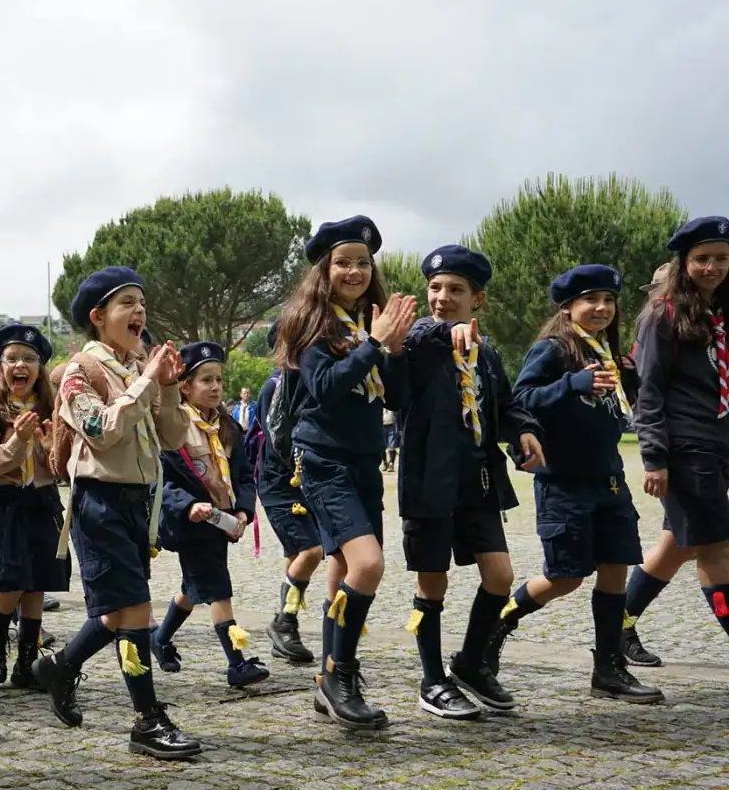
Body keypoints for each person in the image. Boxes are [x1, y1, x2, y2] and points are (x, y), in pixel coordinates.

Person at [32, 266, 202, 759]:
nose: (139, 312)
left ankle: (60, 666)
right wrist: (146, 382)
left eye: (142, 303)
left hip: (137, 504)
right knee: (136, 612)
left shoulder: (137, 368)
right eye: (127, 303)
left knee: (116, 614)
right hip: (99, 503)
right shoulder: (79, 372)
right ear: (98, 317)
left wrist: (168, 386)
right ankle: (146, 720)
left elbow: (172, 438)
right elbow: (102, 431)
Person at [271, 216, 415, 730]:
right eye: (343, 263)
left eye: (363, 262)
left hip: (364, 460)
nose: (355, 271)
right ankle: (341, 676)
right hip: (323, 459)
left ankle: (328, 680)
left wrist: (394, 349)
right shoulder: (310, 323)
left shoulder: (366, 322)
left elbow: (396, 398)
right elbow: (327, 387)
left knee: (342, 569)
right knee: (369, 565)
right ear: (324, 270)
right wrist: (374, 344)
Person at [495, 264, 662, 703]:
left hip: (609, 482)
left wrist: (630, 378)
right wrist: (573, 383)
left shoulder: (608, 352)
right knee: (566, 577)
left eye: (608, 300)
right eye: (591, 300)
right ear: (568, 308)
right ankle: (499, 623)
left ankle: (608, 669)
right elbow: (521, 399)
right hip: (564, 484)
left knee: (615, 568)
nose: (602, 308)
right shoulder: (552, 350)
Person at [397, 246, 543, 718]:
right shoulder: (420, 343)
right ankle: (432, 681)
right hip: (430, 482)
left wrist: (523, 430)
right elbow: (419, 339)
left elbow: (505, 404)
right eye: (435, 288)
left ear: (477, 299)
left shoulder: (487, 353)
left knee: (500, 576)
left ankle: (470, 663)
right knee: (432, 582)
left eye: (455, 290)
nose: (442, 297)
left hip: (478, 480)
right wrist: (447, 331)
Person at [623, 218, 729, 664]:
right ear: (684, 263)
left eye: (721, 259)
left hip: (719, 441)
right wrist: (654, 457)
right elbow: (648, 390)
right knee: (716, 548)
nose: (712, 268)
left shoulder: (718, 314)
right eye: (702, 259)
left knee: (677, 545)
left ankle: (617, 627)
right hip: (687, 445)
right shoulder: (663, 314)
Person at [153, 340, 268, 687]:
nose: (216, 387)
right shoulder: (173, 428)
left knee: (194, 586)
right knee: (218, 587)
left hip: (220, 520)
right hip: (190, 523)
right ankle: (236, 663)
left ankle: (159, 638)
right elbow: (160, 480)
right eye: (206, 380)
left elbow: (243, 474)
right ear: (184, 387)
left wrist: (243, 511)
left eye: (218, 379)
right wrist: (188, 505)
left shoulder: (228, 426)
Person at [0, 322, 67, 688]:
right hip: (6, 503)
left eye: (29, 358)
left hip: (41, 501)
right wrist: (18, 441)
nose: (20, 365)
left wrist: (49, 449)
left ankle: (27, 659)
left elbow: (61, 468)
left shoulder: (51, 409)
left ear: (39, 368)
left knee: (38, 580)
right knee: (12, 579)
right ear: (0, 368)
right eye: (11, 358)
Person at [256, 323, 323, 665]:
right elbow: (277, 438)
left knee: (297, 554)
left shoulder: (308, 381)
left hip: (302, 480)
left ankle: (287, 626)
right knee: (312, 550)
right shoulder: (274, 386)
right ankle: (283, 622)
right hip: (280, 483)